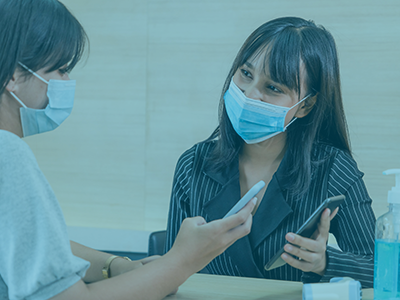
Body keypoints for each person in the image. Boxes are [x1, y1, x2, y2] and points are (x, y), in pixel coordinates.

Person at [0, 1, 256, 299]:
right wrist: (184, 260)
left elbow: (32, 244)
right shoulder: (8, 154)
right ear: (13, 76)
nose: (66, 82)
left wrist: (115, 266)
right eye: (60, 69)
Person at [165, 16, 376, 288]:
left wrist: (325, 262)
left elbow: (383, 269)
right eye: (246, 74)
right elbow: (164, 273)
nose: (250, 95)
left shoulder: (332, 169)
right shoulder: (192, 165)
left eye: (273, 88)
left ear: (305, 105)